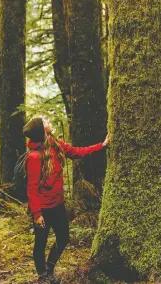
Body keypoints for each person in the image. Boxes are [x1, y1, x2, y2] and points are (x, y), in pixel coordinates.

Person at [23, 116, 109, 284]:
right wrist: (37, 214)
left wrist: (102, 146)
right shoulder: (34, 157)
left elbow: (78, 152)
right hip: (42, 209)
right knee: (40, 243)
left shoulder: (56, 145)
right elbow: (32, 189)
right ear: (42, 131)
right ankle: (43, 276)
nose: (48, 121)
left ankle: (50, 269)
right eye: (45, 121)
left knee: (63, 238)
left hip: (58, 205)